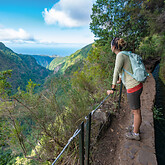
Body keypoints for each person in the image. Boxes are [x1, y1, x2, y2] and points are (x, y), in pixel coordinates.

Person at [107, 37, 143, 141]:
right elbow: (125, 68)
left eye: (111, 45)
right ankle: (135, 127)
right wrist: (120, 79)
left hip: (133, 87)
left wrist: (112, 88)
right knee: (135, 110)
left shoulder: (119, 56)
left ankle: (136, 134)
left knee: (136, 112)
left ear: (113, 47)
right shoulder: (125, 54)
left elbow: (116, 71)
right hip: (137, 85)